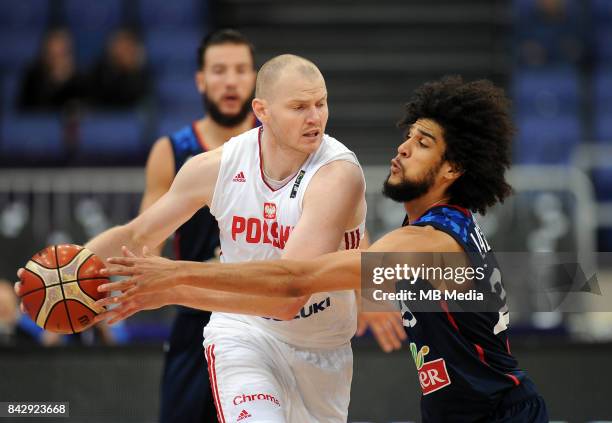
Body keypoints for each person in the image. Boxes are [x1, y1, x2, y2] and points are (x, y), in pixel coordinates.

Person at [94, 76, 549, 422]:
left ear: (452, 169)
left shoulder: (427, 244)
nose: (403, 147)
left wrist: (172, 280)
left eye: (423, 143)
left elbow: (296, 279)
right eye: (409, 135)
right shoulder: (440, 232)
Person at [19, 53, 369, 422]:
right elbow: (137, 233)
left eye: (321, 103)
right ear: (262, 111)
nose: (315, 117)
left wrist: (172, 284)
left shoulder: (337, 174)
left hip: (323, 347)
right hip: (243, 332)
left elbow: (287, 296)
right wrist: (58, 278)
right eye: (299, 106)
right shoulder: (217, 166)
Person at [144, 29, 258, 423]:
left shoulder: (283, 143)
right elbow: (143, 243)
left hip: (264, 318)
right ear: (200, 80)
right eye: (219, 70)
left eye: (241, 70)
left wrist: (368, 295)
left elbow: (344, 226)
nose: (231, 80)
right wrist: (86, 281)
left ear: (255, 79)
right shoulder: (172, 151)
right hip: (195, 320)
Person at [17, 27, 85, 112]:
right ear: (45, 52)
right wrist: (51, 84)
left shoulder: (79, 79)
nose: (57, 60)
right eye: (52, 54)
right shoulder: (32, 76)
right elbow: (23, 111)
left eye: (61, 54)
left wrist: (65, 82)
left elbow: (84, 110)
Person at [86, 28, 152, 110]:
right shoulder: (98, 70)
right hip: (100, 117)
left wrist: (133, 71)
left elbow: (137, 99)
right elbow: (96, 98)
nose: (123, 51)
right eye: (120, 45)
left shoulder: (141, 75)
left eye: (128, 47)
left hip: (128, 118)